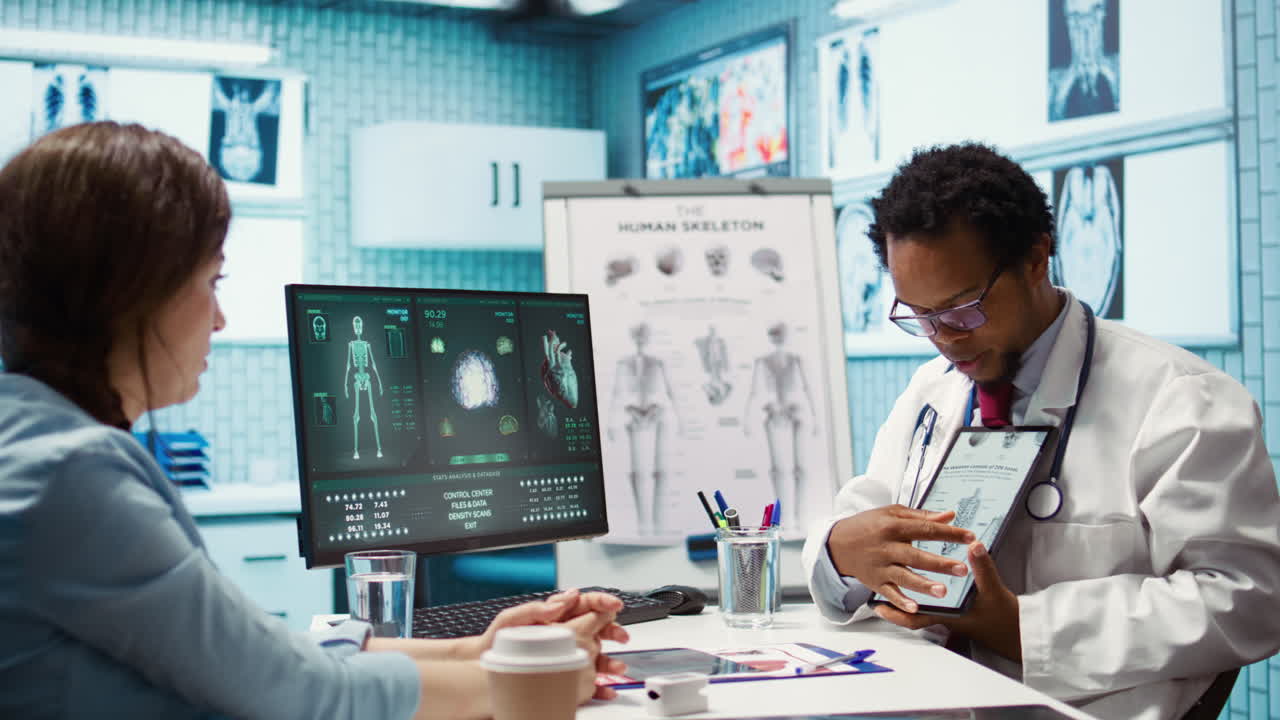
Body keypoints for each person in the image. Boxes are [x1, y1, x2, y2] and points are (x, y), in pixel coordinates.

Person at [0, 122, 629, 719]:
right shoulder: (67, 475)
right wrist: (533, 678)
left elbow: (252, 655)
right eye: (211, 282)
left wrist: (480, 650)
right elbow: (298, 694)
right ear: (132, 291)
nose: (219, 320)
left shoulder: (39, 441)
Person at [802, 142, 1280, 720]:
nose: (945, 339)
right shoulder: (932, 391)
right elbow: (863, 513)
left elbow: (1247, 598)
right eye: (919, 317)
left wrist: (1024, 627)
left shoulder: (1180, 400)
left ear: (1036, 258)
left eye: (962, 309)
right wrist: (841, 549)